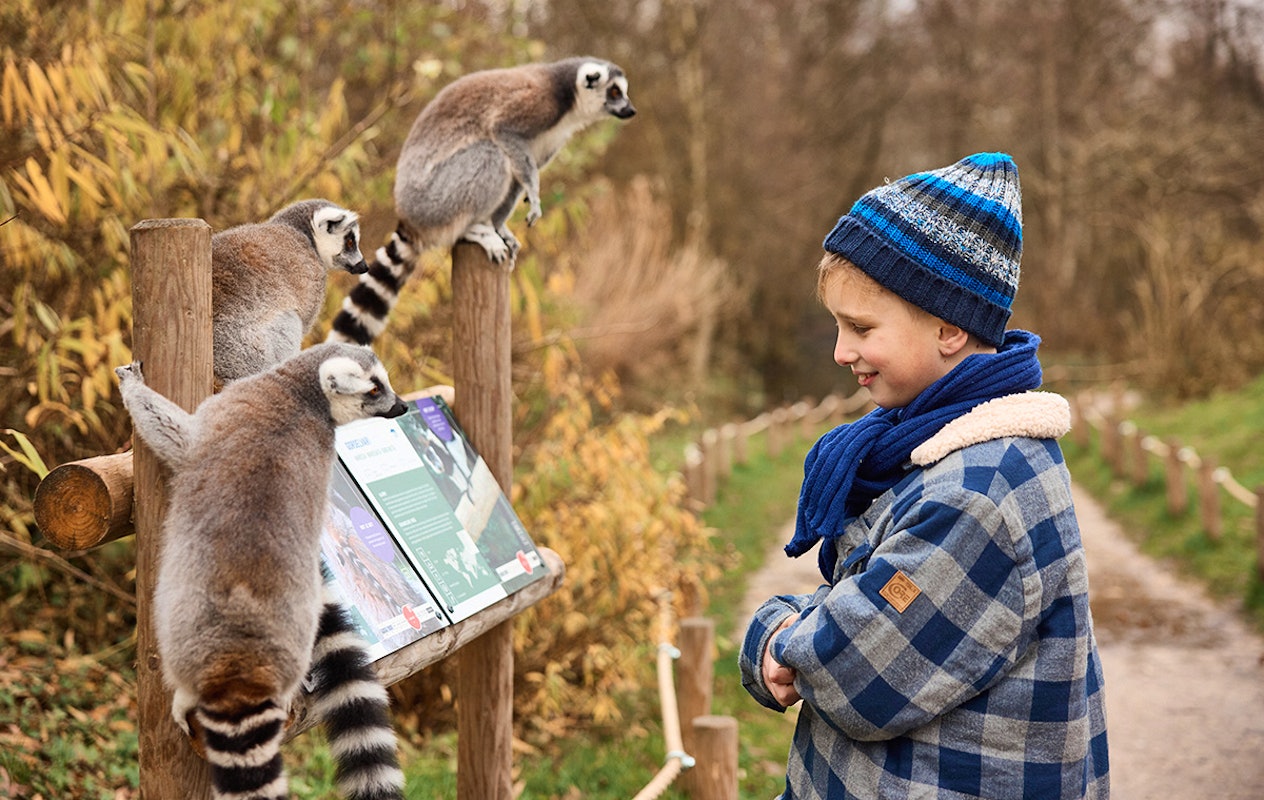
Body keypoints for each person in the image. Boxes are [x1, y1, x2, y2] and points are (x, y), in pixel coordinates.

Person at [739, 152, 1110, 799]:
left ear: (948, 326)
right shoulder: (938, 451)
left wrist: (774, 629)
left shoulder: (979, 494)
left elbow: (855, 672)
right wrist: (808, 624)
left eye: (860, 327)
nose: (840, 351)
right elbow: (868, 604)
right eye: (837, 325)